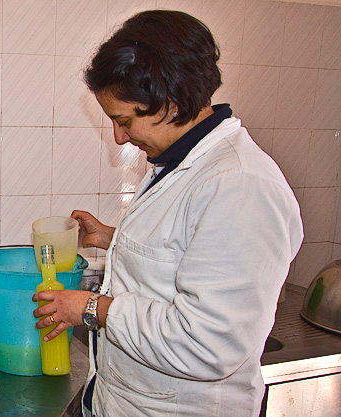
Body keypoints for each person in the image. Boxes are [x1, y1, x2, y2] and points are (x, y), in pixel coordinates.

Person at [32, 9, 303, 417]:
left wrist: (91, 308)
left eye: (124, 121)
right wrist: (112, 236)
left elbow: (208, 343)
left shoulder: (241, 185)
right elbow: (186, 247)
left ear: (170, 102)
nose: (120, 136)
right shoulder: (178, 163)